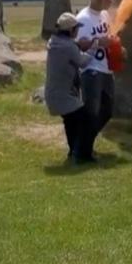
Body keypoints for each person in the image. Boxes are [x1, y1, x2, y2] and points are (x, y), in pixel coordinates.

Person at [45, 12, 95, 163]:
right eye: (76, 28)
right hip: (63, 96)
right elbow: (82, 62)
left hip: (55, 94)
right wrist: (95, 47)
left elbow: (71, 50)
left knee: (71, 122)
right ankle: (82, 154)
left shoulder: (55, 42)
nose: (78, 31)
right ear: (71, 30)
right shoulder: (68, 46)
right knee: (86, 120)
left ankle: (74, 151)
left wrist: (80, 46)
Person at [76, 0, 118, 144]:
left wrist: (118, 49)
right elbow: (79, 44)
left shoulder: (104, 15)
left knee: (107, 111)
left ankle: (85, 142)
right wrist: (97, 42)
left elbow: (109, 36)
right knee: (91, 111)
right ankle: (82, 148)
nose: (111, 1)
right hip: (91, 70)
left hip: (106, 69)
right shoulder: (83, 19)